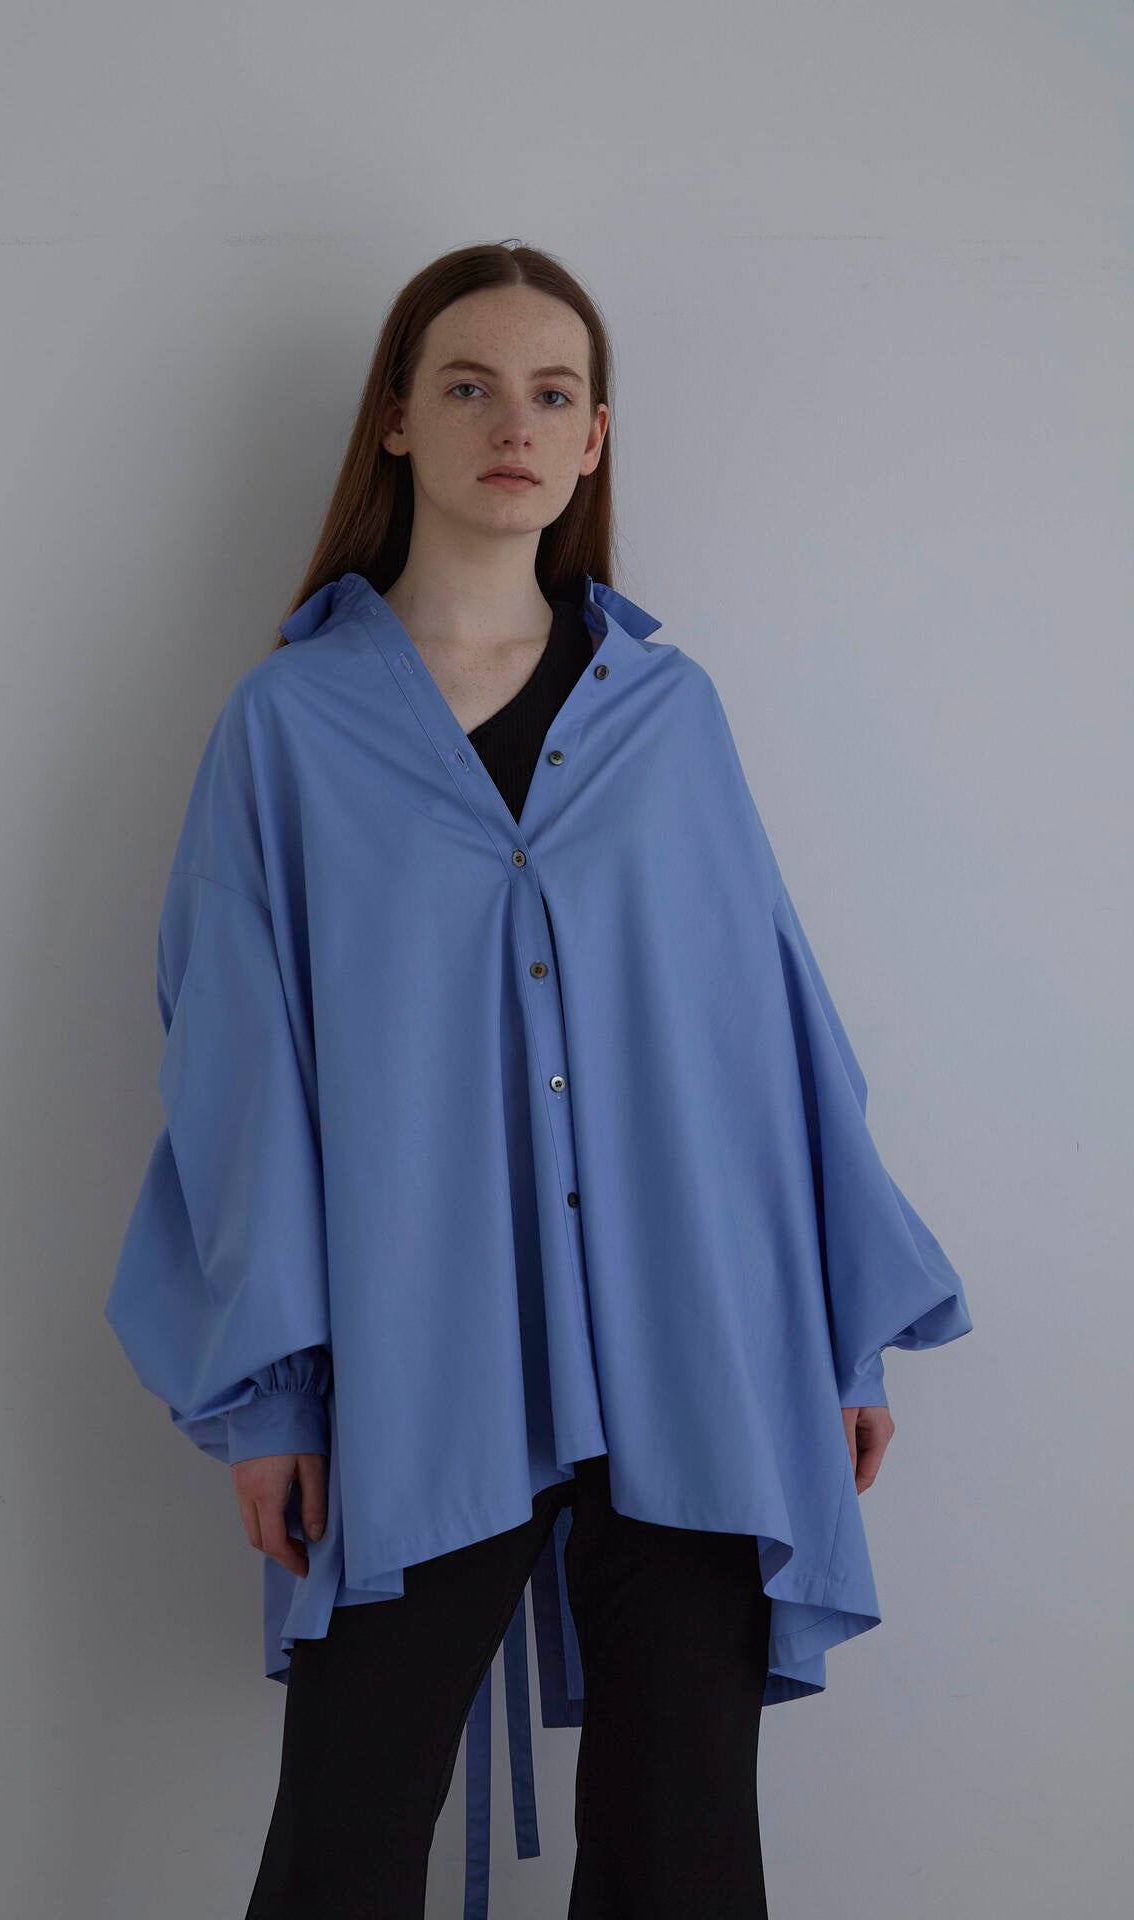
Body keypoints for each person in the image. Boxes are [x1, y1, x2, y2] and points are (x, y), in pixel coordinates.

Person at [105, 239, 973, 1920]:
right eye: (471, 386)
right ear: (397, 422)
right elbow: (235, 1076)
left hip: (698, 1346)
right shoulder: (288, 729)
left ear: (592, 440)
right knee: (344, 1842)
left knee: (683, 1851)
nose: (515, 423)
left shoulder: (671, 718)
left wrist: (838, 1336)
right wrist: (273, 1398)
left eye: (553, 393)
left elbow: (772, 1038)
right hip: (419, 1359)